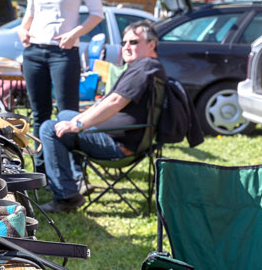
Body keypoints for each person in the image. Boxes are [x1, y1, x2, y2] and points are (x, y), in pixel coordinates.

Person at [38, 21, 166, 213]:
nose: (126, 47)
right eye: (124, 43)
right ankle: (76, 179)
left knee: (49, 128)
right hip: (119, 137)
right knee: (64, 115)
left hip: (119, 145)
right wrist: (76, 120)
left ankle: (66, 197)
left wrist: (79, 124)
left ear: (151, 44)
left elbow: (115, 101)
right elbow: (106, 102)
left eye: (133, 42)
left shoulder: (145, 67)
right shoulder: (146, 67)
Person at [17, 0, 105, 173]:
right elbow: (30, 13)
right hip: (34, 51)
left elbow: (97, 13)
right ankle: (41, 170)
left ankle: (75, 170)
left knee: (67, 112)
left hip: (63, 52)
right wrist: (22, 30)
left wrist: (75, 33)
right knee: (39, 113)